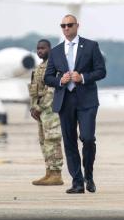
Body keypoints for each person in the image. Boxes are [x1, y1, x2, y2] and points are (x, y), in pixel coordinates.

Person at [44, 14, 107, 194]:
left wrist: (83, 77)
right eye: (63, 26)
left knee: (87, 138)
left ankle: (89, 174)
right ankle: (77, 182)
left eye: (69, 25)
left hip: (86, 99)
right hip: (65, 100)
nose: (66, 28)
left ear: (77, 26)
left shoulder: (91, 46)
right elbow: (47, 77)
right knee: (70, 142)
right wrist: (59, 80)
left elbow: (101, 71)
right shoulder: (55, 51)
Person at [28, 39, 64, 186]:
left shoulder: (53, 66)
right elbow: (35, 91)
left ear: (50, 49)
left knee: (52, 140)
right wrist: (33, 107)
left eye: (43, 48)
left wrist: (39, 107)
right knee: (44, 141)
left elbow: (51, 90)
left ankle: (56, 173)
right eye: (38, 48)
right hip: (41, 112)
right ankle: (49, 172)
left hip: (50, 110)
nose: (39, 51)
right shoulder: (39, 67)